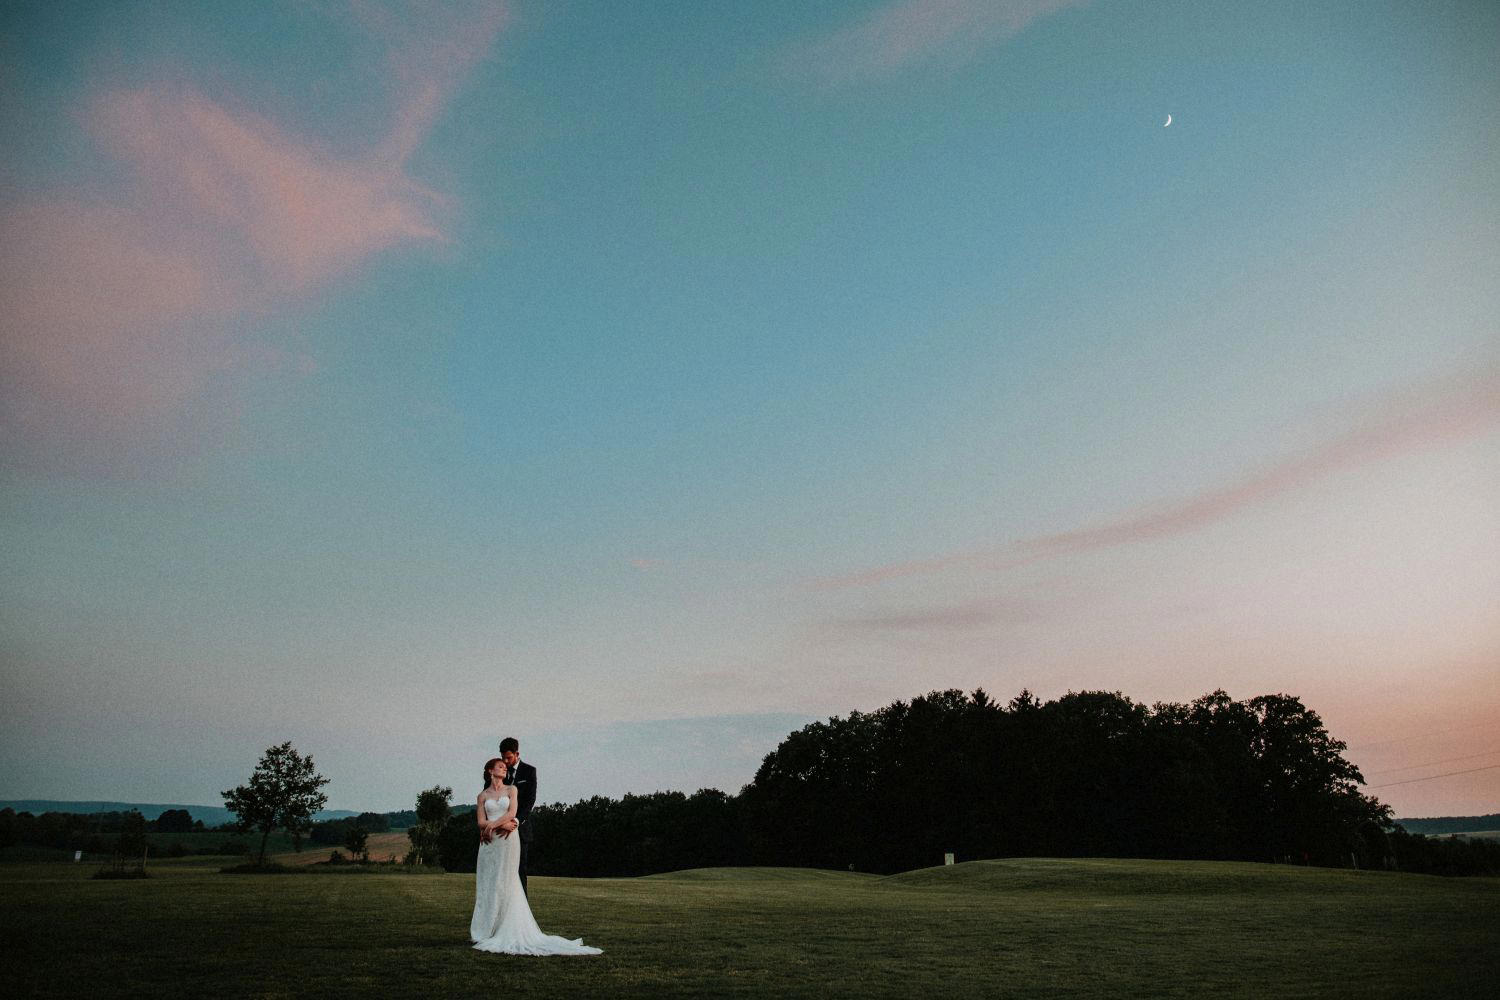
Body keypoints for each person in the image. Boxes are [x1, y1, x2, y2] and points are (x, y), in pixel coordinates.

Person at [469, 756, 601, 956]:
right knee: (488, 882)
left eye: (506, 767)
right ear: (490, 771)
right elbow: (480, 821)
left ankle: (504, 928)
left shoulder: (511, 790)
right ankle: (484, 930)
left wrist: (493, 826)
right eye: (500, 766)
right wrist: (487, 828)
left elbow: (512, 813)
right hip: (489, 844)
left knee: (507, 880)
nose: (505, 769)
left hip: (506, 839)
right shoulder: (482, 796)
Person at [499, 736, 536, 895]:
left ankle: (522, 912)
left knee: (520, 869)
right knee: (501, 870)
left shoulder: (529, 771)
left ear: (517, 754)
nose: (505, 762)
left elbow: (530, 801)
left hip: (521, 830)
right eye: (503, 758)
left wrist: (516, 820)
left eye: (509, 757)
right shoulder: (499, 771)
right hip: (500, 830)